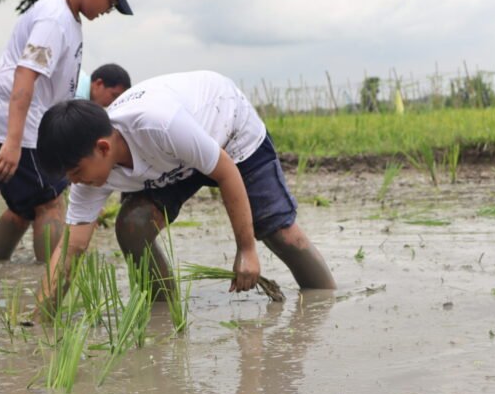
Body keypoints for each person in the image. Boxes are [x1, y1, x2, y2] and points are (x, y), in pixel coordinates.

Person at [35, 70, 336, 309]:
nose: (74, 182)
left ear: (102, 148)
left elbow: (226, 172)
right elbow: (72, 247)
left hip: (227, 133)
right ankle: (163, 313)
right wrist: (40, 316)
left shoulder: (159, 125)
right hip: (172, 160)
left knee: (277, 232)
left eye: (75, 172)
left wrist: (246, 250)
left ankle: (325, 300)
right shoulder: (90, 167)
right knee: (133, 225)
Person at [0, 0, 133, 263]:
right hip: (22, 123)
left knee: (23, 208)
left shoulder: (67, 16)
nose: (106, 12)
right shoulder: (54, 18)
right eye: (110, 3)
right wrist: (14, 140)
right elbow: (25, 74)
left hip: (26, 121)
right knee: (50, 202)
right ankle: (52, 280)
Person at [0, 63, 131, 228]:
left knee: (17, 202)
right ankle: (45, 259)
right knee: (49, 202)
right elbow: (72, 158)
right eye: (114, 96)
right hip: (23, 128)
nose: (112, 103)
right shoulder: (77, 99)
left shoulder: (77, 79)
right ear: (98, 84)